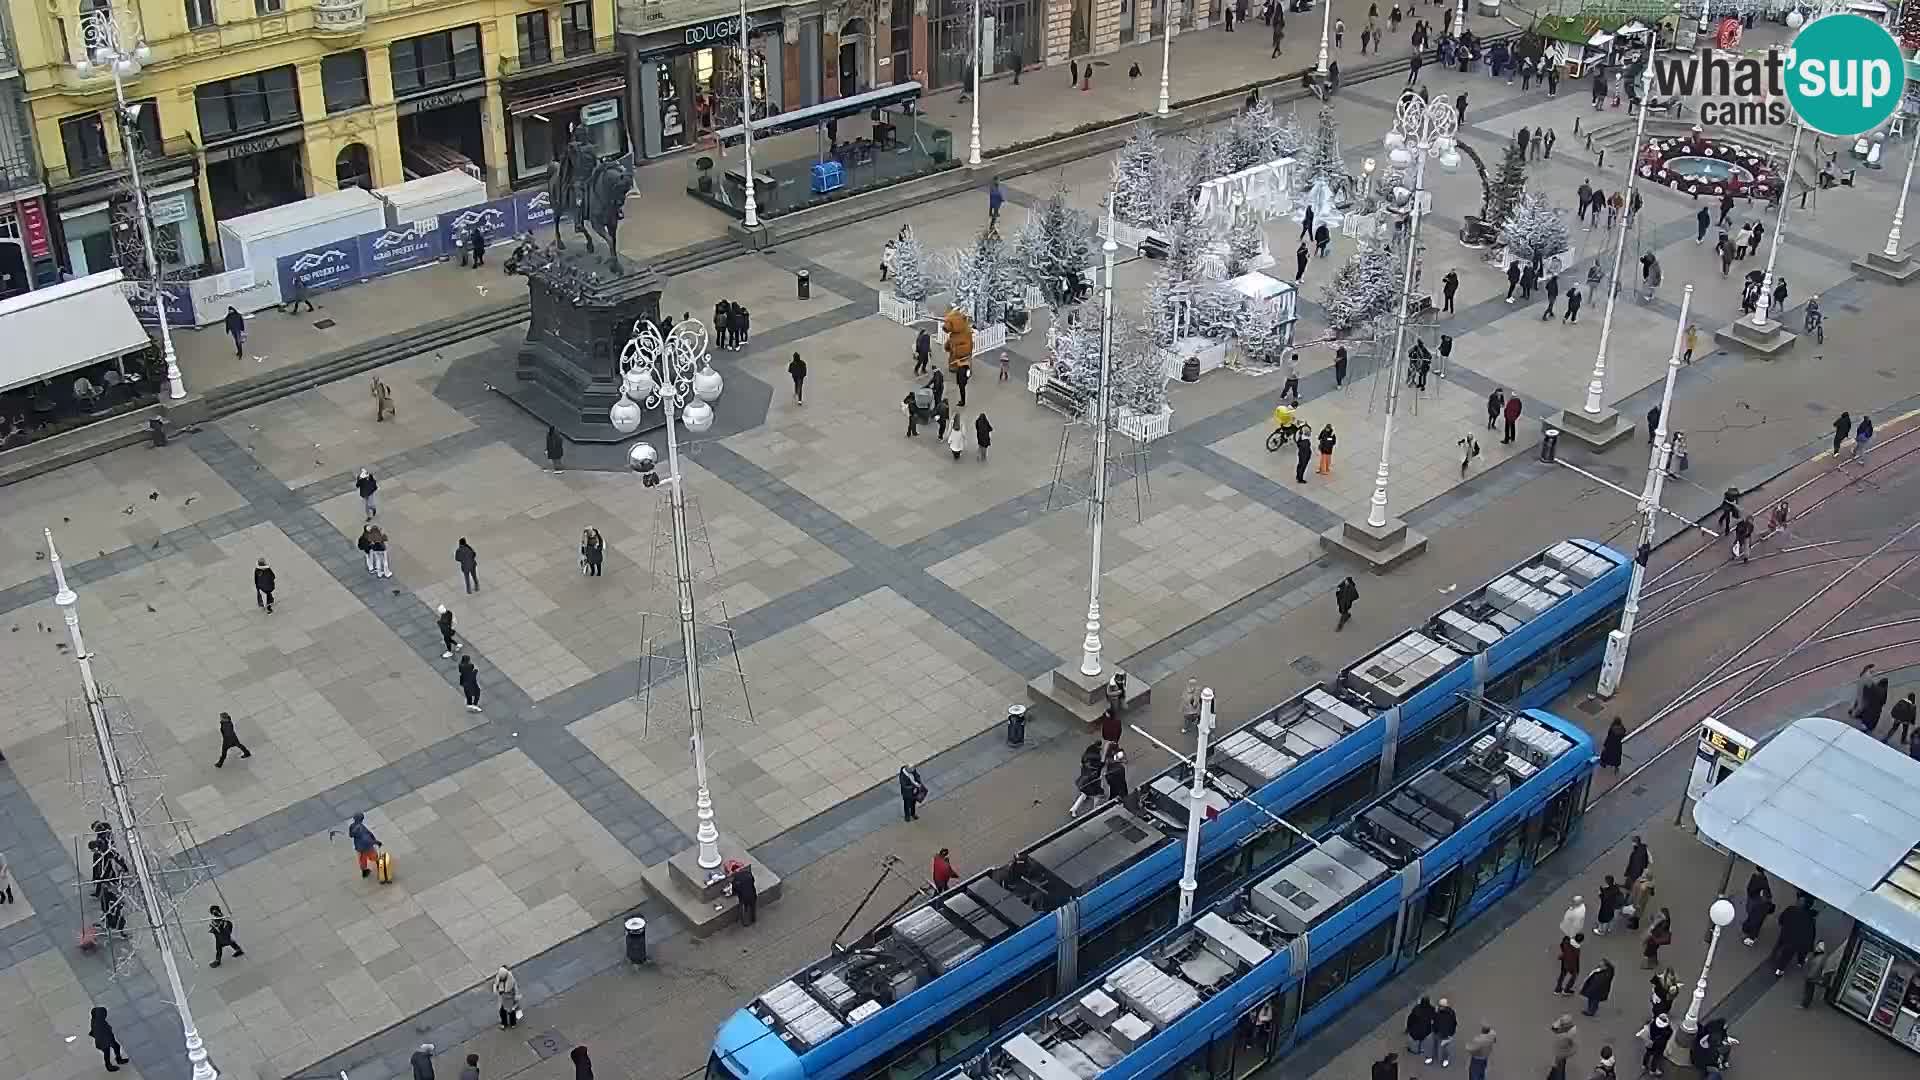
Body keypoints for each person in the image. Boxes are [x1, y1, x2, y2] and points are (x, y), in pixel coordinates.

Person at [91, 1007, 130, 1072]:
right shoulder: (97, 1024)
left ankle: (118, 1059)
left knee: (117, 1047)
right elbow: (99, 1034)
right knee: (107, 1053)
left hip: (108, 1039)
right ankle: (108, 1066)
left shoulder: (98, 1020)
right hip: (104, 1042)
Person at [349, 811, 381, 877]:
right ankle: (380, 867)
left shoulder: (352, 826)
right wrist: (376, 842)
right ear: (361, 819)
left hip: (359, 848)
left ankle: (364, 872)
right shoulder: (361, 828)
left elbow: (351, 835)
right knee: (374, 856)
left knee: (362, 860)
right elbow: (367, 839)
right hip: (367, 847)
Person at [1802, 941, 1832, 1007]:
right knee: (1810, 989)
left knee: (1809, 989)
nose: (1818, 947)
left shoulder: (1819, 957)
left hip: (1812, 976)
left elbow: (1815, 968)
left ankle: (1805, 1004)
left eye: (1820, 946)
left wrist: (1809, 976)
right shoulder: (1818, 955)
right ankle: (1806, 1003)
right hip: (1813, 976)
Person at [1548, 1015, 1577, 1080]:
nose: (1562, 1026)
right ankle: (1551, 1077)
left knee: (1559, 1069)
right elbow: (1554, 1028)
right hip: (1562, 1052)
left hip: (1562, 1053)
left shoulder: (1569, 1034)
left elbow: (1555, 1029)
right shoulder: (1567, 1029)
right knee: (1557, 1067)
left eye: (1564, 1024)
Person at [1431, 998, 1458, 1066]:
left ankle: (1445, 1059)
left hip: (1445, 1034)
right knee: (1436, 1045)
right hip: (1437, 1032)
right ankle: (1435, 1056)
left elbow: (1453, 1024)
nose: (1440, 1007)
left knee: (1445, 1048)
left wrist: (1450, 1033)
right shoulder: (1439, 1012)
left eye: (1441, 1006)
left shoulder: (1450, 1013)